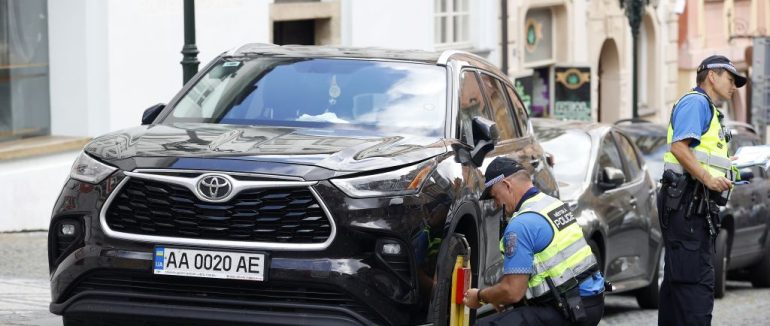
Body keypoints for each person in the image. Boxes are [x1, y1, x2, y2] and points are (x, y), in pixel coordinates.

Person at [463, 157, 605, 326]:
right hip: (590, 303)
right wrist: (501, 296)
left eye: (495, 196)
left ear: (507, 186)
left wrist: (481, 296)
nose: (497, 204)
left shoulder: (521, 225)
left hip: (567, 311)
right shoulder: (552, 205)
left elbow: (513, 291)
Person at [658, 55, 746, 326]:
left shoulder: (705, 108)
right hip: (687, 206)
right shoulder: (696, 103)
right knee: (694, 290)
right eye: (730, 79)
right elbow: (679, 147)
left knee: (679, 289)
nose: (734, 87)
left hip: (689, 206)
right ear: (712, 76)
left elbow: (698, 154)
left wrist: (723, 166)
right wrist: (708, 178)